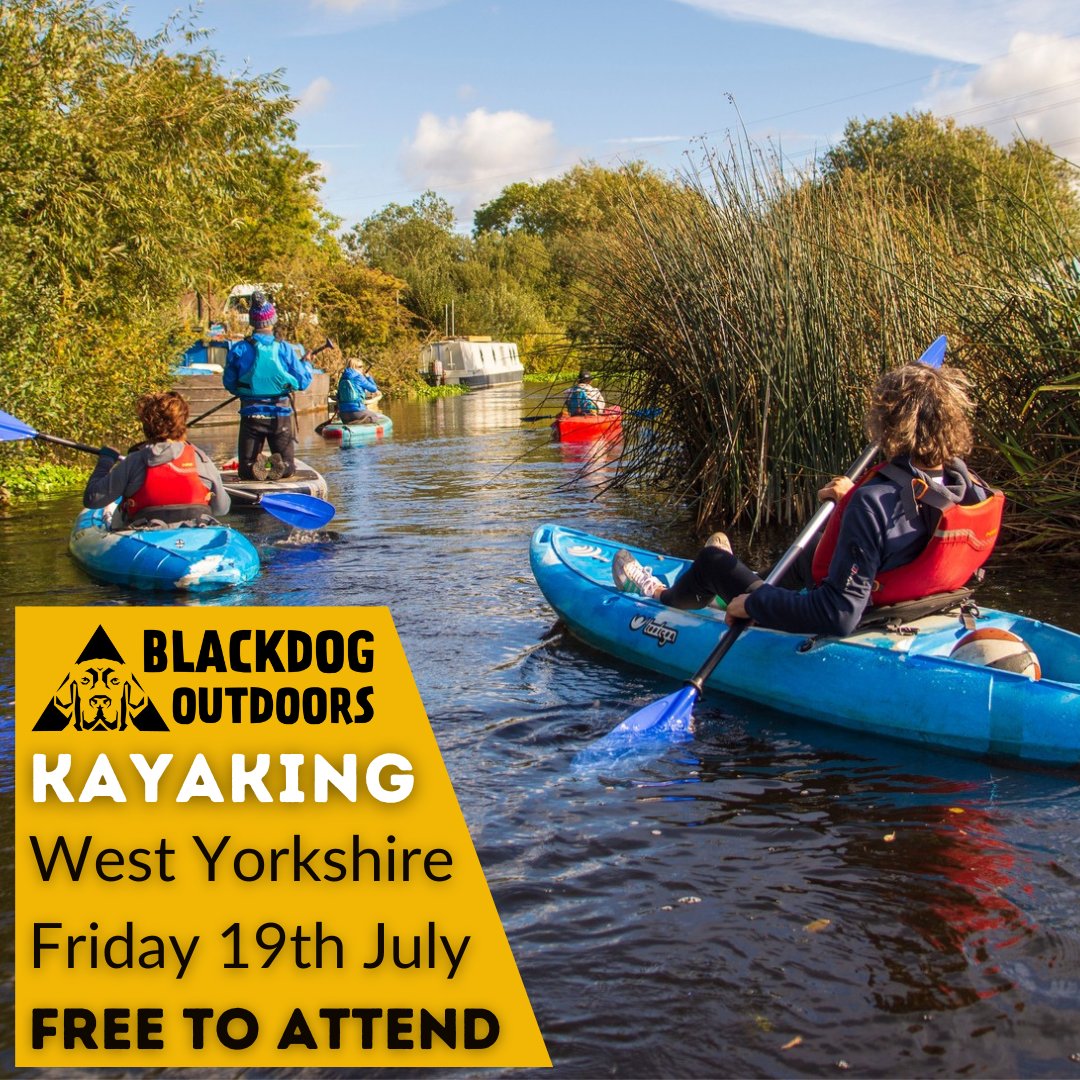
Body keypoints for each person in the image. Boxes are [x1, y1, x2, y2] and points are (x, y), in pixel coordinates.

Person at [613, 362, 1004, 637]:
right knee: (811, 550)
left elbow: (838, 615)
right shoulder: (963, 483)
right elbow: (909, 519)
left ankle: (658, 594)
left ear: (887, 424)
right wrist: (851, 502)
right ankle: (742, 584)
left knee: (713, 561)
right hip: (922, 605)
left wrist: (753, 606)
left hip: (866, 617)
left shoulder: (874, 501)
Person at [83, 391, 230, 529]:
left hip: (145, 533)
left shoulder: (134, 461)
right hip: (195, 531)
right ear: (182, 422)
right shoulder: (201, 458)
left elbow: (93, 499)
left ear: (146, 425)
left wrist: (105, 462)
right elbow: (221, 508)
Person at [222, 290, 312, 481]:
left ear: (252, 322)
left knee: (245, 471)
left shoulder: (239, 349)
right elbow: (303, 382)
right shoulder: (284, 348)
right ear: (272, 321)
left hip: (251, 416)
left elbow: (229, 383)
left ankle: (261, 465)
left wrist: (244, 391)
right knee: (288, 468)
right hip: (280, 417)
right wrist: (307, 364)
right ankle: (274, 464)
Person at [336, 358, 380, 423]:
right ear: (355, 367)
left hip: (343, 414)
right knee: (375, 417)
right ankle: (356, 423)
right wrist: (368, 377)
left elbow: (338, 396)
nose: (362, 368)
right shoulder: (359, 377)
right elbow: (373, 389)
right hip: (357, 411)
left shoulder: (342, 378)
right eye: (360, 366)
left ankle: (351, 422)